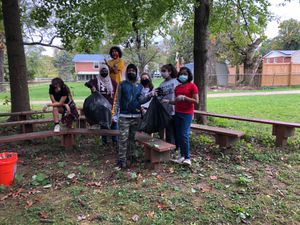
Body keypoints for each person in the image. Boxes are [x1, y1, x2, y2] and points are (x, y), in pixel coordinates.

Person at [114, 64, 149, 169]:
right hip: (124, 116)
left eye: (133, 70)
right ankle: (121, 160)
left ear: (136, 72)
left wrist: (150, 95)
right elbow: (118, 100)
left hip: (136, 116)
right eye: (129, 70)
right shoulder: (122, 84)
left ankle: (132, 158)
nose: (131, 72)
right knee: (123, 139)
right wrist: (115, 114)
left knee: (132, 139)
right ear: (126, 72)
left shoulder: (140, 87)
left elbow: (142, 100)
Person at [164, 67, 198, 166]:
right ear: (178, 76)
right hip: (178, 113)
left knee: (184, 134)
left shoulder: (192, 86)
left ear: (188, 75)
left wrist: (184, 97)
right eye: (181, 74)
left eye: (185, 74)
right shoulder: (177, 88)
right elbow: (176, 101)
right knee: (178, 135)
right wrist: (169, 101)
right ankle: (182, 156)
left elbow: (196, 101)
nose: (183, 76)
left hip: (187, 114)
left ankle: (187, 158)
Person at [85, 64, 118, 145]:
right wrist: (92, 86)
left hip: (111, 106)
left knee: (114, 123)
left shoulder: (113, 82)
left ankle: (115, 141)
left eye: (106, 70)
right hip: (100, 107)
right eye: (102, 70)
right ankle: (104, 142)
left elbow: (116, 94)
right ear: (99, 71)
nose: (104, 72)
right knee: (103, 123)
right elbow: (87, 83)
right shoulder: (96, 80)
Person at [157, 64, 180, 145]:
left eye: (164, 71)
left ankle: (177, 147)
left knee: (176, 130)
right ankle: (170, 148)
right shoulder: (162, 84)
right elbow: (159, 97)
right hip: (166, 112)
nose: (162, 73)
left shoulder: (176, 81)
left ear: (170, 72)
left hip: (175, 110)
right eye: (161, 71)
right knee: (169, 131)